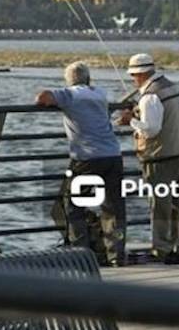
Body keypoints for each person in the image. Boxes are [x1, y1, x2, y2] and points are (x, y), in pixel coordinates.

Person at [36, 61, 126, 266]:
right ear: (89, 78)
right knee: (113, 208)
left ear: (69, 80)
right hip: (112, 154)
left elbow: (42, 97)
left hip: (86, 158)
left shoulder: (70, 94)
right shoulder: (100, 93)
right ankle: (116, 256)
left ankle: (80, 254)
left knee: (74, 206)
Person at [118, 53, 179, 264]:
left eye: (133, 76)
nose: (133, 80)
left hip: (160, 158)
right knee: (178, 202)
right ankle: (178, 243)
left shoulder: (150, 96)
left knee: (160, 205)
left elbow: (151, 129)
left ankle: (162, 248)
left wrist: (131, 120)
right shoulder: (171, 87)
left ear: (140, 74)